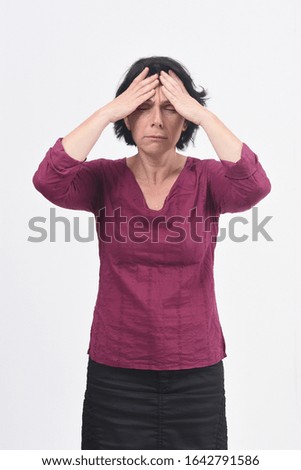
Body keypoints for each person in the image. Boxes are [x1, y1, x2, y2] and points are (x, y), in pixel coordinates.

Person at [32, 56, 272, 450]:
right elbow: (49, 179)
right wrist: (110, 110)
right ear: (127, 118)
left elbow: (254, 186)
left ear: (185, 119)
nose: (156, 121)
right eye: (142, 109)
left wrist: (203, 115)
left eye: (171, 109)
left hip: (195, 373)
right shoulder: (103, 179)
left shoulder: (209, 180)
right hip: (116, 374)